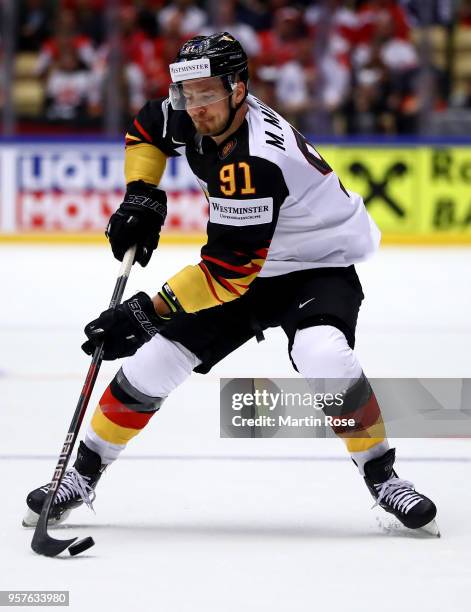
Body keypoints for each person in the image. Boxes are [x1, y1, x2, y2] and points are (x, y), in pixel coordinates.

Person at [24, 32, 438, 535]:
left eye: (207, 94)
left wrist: (142, 314)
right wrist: (141, 195)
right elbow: (146, 129)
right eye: (187, 93)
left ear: (239, 88)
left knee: (323, 355)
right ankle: (83, 475)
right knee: (153, 363)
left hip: (315, 263)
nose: (194, 107)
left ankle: (383, 477)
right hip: (248, 264)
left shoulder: (255, 160)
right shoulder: (192, 108)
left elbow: (225, 274)